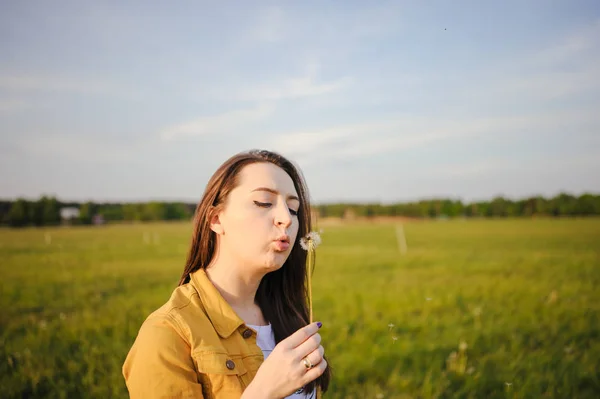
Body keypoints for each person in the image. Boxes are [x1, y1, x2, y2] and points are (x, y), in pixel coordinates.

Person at [123, 149, 331, 398]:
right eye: (263, 202)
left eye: (294, 209)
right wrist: (263, 392)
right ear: (216, 219)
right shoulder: (167, 335)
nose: (286, 218)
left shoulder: (288, 315)